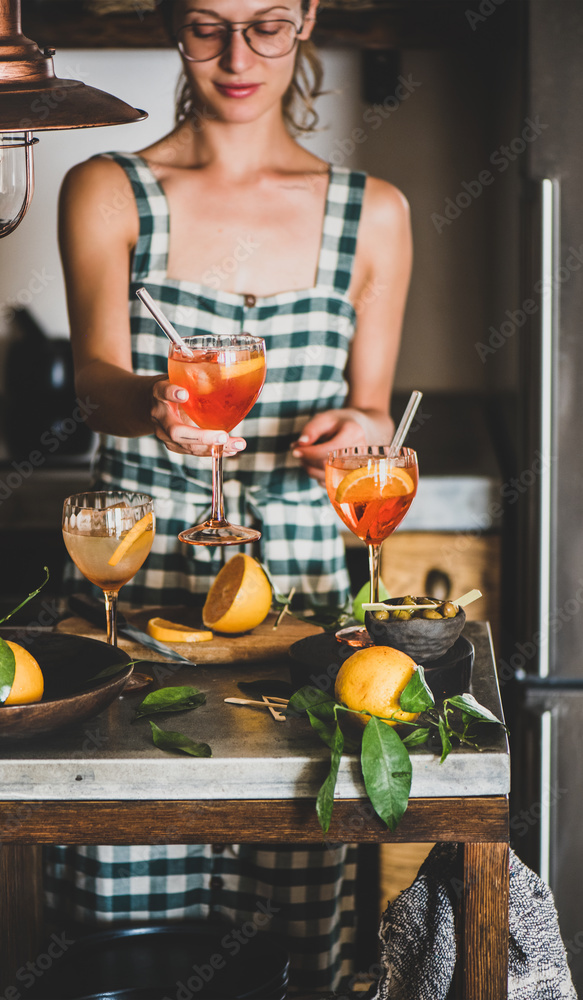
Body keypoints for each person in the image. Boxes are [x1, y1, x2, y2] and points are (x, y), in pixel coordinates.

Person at [45, 0, 412, 989]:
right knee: (118, 916)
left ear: (307, 20)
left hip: (294, 605)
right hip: (137, 583)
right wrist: (153, 403)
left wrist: (356, 435)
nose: (238, 55)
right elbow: (93, 383)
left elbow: (374, 411)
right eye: (208, 25)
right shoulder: (109, 189)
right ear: (174, 27)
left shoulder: (372, 212)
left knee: (284, 927)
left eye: (266, 25)